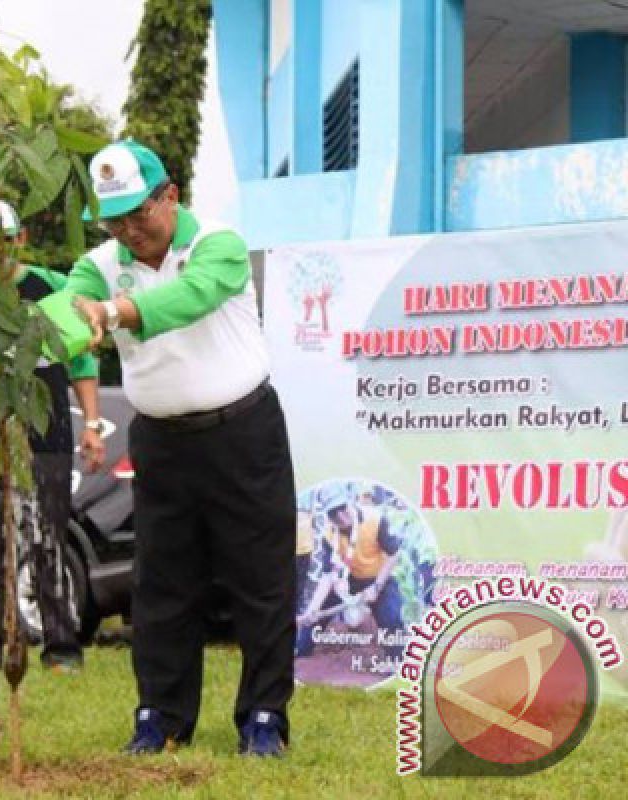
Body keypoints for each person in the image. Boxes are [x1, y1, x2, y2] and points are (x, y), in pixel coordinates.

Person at [67, 141, 296, 756]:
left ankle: (264, 718)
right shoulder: (97, 265)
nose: (128, 231)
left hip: (243, 433)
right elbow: (70, 313)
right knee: (163, 584)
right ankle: (160, 718)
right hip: (161, 440)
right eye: (114, 220)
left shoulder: (218, 244)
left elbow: (186, 299)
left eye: (139, 213)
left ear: (169, 195)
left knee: (261, 581)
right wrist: (64, 317)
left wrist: (114, 312)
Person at [0, 200, 105, 674]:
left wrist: (92, 424)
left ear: (21, 239)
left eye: (6, 240)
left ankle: (63, 649)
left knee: (49, 541)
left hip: (47, 438)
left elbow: (82, 362)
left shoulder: (51, 287)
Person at [296, 485, 405, 662]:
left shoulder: (375, 519)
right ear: (327, 515)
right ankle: (300, 649)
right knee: (316, 614)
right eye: (333, 512)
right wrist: (312, 609)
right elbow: (327, 575)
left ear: (351, 502)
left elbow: (394, 555)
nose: (340, 515)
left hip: (379, 578)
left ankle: (396, 660)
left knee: (391, 618)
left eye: (342, 507)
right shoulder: (328, 534)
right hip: (349, 580)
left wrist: (376, 587)